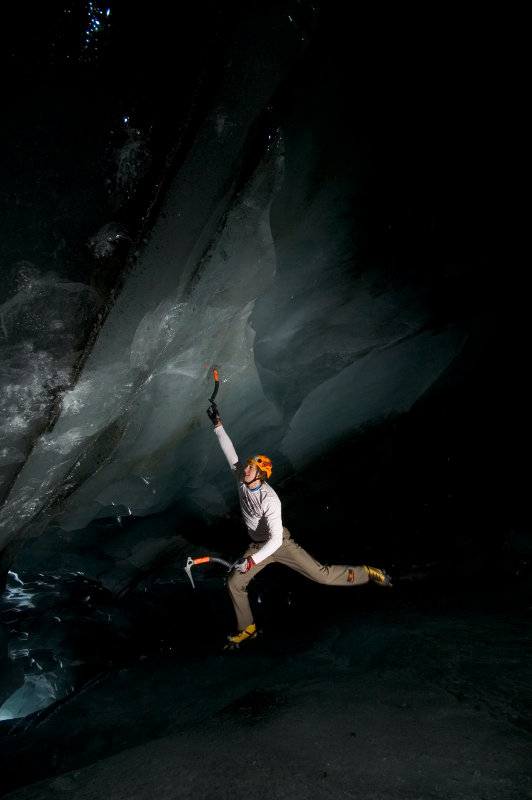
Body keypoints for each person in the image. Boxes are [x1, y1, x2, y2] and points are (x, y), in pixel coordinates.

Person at [206, 401, 391, 646]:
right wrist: (217, 424)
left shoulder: (270, 500)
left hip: (278, 543)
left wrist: (252, 560)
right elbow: (231, 454)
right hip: (257, 545)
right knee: (234, 582)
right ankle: (247, 627)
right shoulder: (242, 479)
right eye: (248, 466)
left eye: (251, 467)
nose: (246, 469)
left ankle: (366, 573)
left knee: (322, 576)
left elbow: (273, 540)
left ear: (260, 474)